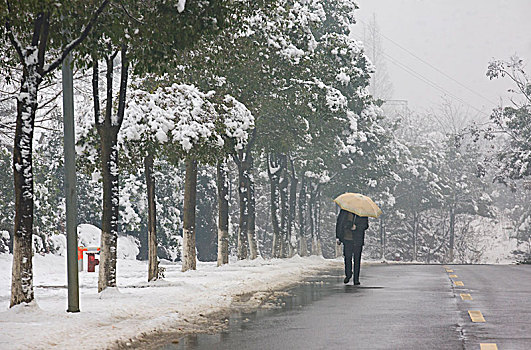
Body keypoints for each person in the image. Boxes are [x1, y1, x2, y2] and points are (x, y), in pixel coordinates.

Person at [336, 209, 369, 285]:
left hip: (357, 240)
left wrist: (356, 227)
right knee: (347, 257)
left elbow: (365, 225)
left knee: (357, 260)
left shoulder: (362, 213)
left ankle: (356, 279)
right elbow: (339, 223)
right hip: (347, 239)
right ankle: (348, 274)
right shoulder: (344, 211)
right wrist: (338, 237)